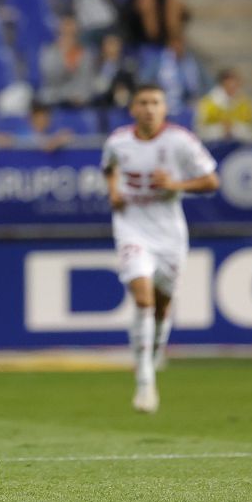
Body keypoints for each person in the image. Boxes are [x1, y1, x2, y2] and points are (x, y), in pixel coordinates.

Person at [101, 84, 219, 413]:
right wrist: (113, 191)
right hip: (131, 227)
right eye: (143, 102)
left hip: (169, 234)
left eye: (155, 103)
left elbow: (211, 180)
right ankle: (144, 381)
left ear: (165, 109)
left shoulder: (180, 141)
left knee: (163, 308)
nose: (150, 108)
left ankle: (154, 355)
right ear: (133, 109)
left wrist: (176, 184)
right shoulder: (118, 141)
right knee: (143, 297)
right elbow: (109, 166)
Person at [195, 68, 252, 142]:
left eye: (235, 84)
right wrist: (221, 130)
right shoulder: (208, 103)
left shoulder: (243, 103)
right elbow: (200, 131)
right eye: (229, 84)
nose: (233, 87)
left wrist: (233, 128)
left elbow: (250, 131)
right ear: (222, 84)